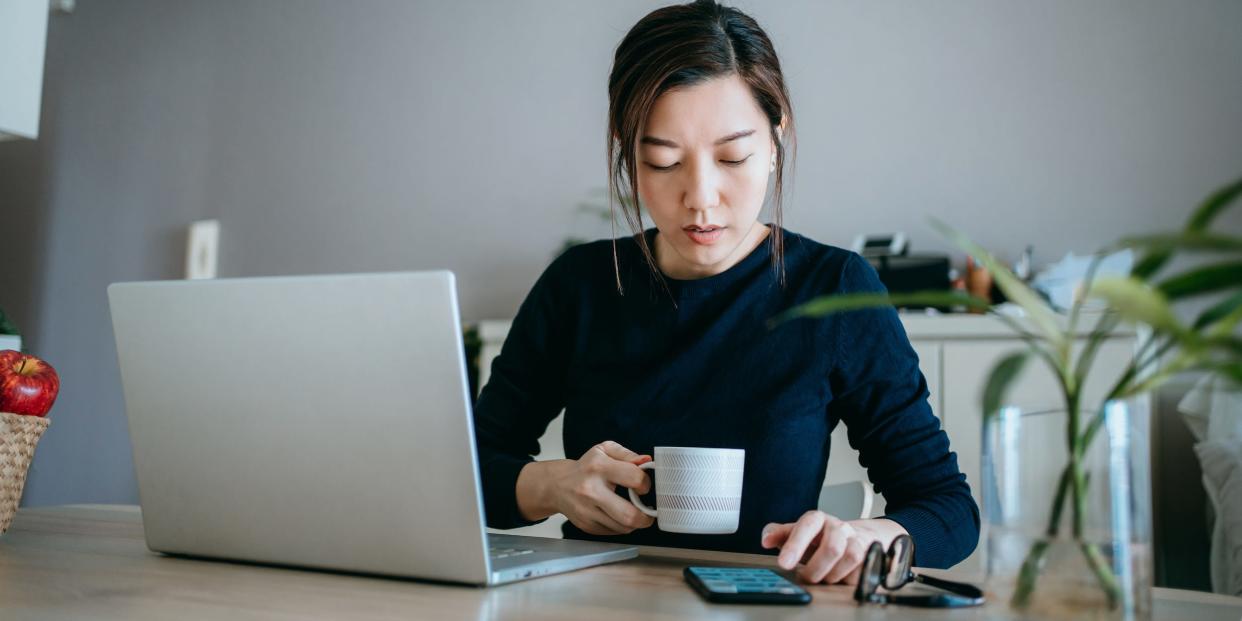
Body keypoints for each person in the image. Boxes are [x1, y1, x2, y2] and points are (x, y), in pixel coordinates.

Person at [473, 0, 979, 585]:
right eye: (662, 162)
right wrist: (549, 485)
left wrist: (873, 538)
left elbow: (947, 508)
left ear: (775, 138)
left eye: (733, 157)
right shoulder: (579, 287)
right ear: (626, 148)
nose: (702, 198)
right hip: (600, 603)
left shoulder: (833, 289)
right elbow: (469, 476)